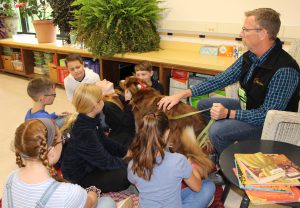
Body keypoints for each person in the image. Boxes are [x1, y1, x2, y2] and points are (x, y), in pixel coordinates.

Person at [158, 8, 300, 156]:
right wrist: (182, 94)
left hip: (270, 125)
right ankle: (216, 152)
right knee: (203, 105)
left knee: (217, 131)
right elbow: (221, 79)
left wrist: (229, 114)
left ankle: (232, 167)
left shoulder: (284, 70)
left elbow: (266, 115)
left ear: (262, 33)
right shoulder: (250, 57)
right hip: (250, 109)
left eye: (245, 29)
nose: (241, 34)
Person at [2, 118, 116, 208]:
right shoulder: (69, 193)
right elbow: (90, 203)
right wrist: (93, 191)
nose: (63, 142)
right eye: (62, 140)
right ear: (51, 151)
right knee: (107, 202)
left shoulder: (10, 178)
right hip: (79, 196)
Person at [127, 111, 215, 208]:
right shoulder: (178, 161)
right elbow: (197, 187)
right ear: (167, 133)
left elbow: (134, 181)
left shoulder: (132, 164)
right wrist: (192, 167)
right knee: (208, 186)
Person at [61, 83, 130, 193]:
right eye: (100, 99)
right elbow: (105, 162)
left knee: (127, 160)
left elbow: (105, 141)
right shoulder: (85, 132)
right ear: (95, 105)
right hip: (80, 178)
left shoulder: (89, 119)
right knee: (125, 175)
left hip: (91, 165)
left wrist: (126, 152)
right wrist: (130, 165)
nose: (103, 100)